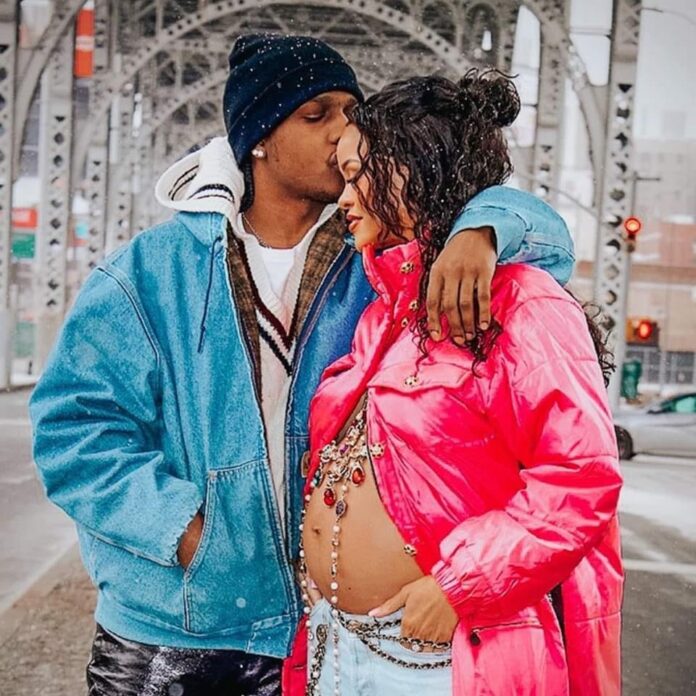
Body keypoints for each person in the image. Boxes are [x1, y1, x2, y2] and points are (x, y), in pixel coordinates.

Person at [30, 35, 575, 696]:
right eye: (316, 114)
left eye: (351, 112)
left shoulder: (381, 258)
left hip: (317, 636)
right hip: (168, 630)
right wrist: (187, 533)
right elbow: (73, 431)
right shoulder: (148, 272)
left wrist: (480, 230)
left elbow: (546, 242)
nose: (343, 130)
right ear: (258, 138)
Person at [292, 71, 622, 696]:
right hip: (338, 645)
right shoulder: (384, 314)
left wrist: (459, 586)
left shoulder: (522, 302)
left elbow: (580, 478)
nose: (344, 198)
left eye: (359, 174)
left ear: (413, 168)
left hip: (438, 659)